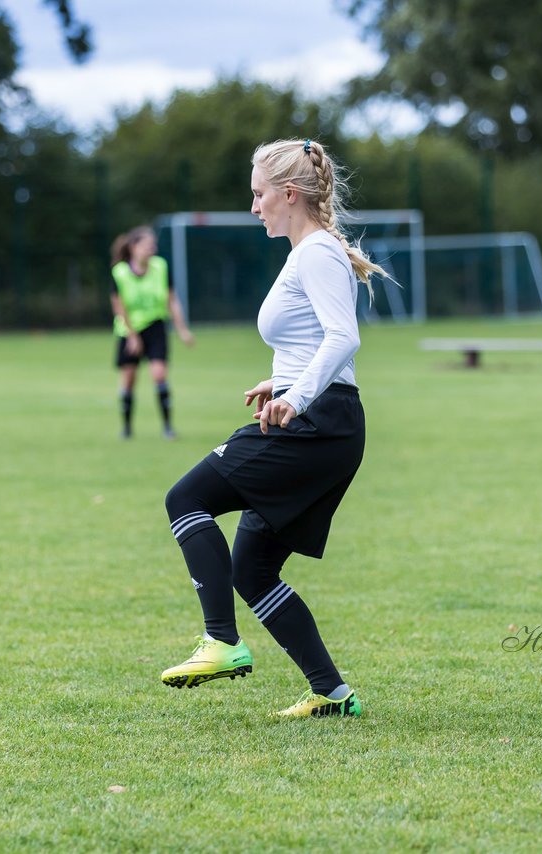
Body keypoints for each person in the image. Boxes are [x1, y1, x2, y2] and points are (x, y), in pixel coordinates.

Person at [160, 138, 386, 719]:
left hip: (318, 424)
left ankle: (222, 642)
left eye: (259, 194)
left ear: (289, 194)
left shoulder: (316, 253)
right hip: (319, 417)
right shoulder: (308, 252)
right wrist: (279, 384)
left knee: (187, 497)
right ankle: (332, 695)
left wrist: (297, 397)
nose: (254, 206)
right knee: (252, 569)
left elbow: (344, 339)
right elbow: (314, 343)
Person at [109, 225, 194, 439]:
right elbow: (119, 307)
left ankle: (167, 427)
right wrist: (132, 336)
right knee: (128, 379)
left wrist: (182, 329)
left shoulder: (160, 267)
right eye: (147, 245)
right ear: (133, 247)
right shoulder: (119, 272)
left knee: (159, 374)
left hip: (155, 326)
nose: (151, 249)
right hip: (128, 330)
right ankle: (126, 428)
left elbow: (171, 300)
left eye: (153, 245)